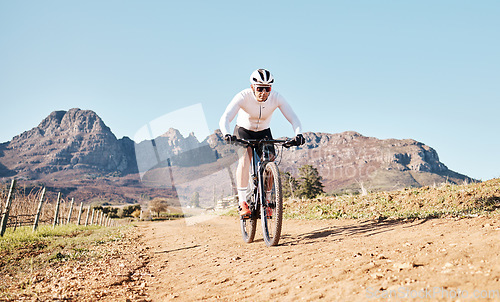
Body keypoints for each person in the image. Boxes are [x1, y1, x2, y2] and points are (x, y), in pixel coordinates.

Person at [219, 68, 305, 216]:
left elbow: (293, 118)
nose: (263, 92)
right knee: (245, 159)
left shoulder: (276, 98)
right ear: (253, 87)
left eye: (267, 89)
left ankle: (267, 201)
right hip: (243, 131)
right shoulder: (243, 96)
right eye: (259, 88)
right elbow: (226, 117)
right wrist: (226, 133)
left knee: (270, 161)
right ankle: (242, 202)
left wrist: (298, 134)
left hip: (264, 132)